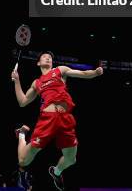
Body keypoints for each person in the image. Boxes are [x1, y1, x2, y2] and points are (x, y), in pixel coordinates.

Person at [11, 51, 103, 190]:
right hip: (47, 121)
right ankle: (22, 134)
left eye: (50, 58)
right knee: (23, 160)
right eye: (44, 57)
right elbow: (22, 102)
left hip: (65, 119)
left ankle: (56, 171)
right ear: (38, 63)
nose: (48, 58)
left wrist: (95, 72)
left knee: (71, 159)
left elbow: (82, 74)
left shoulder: (60, 70)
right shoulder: (37, 83)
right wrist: (17, 80)